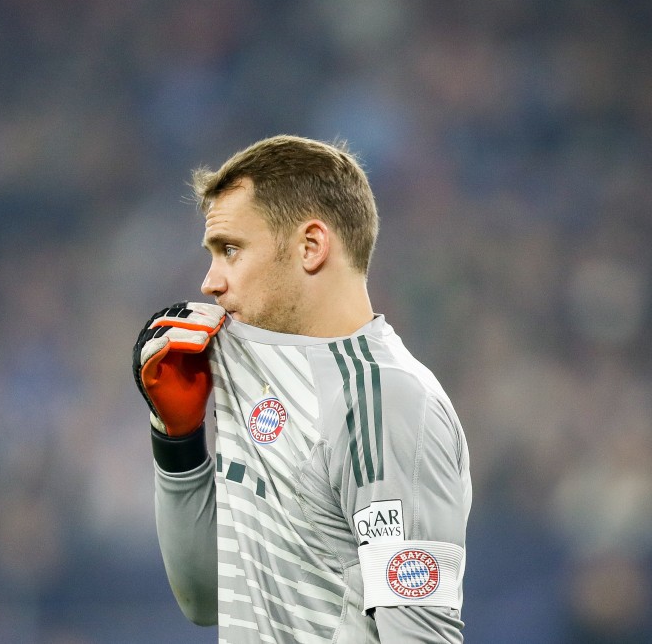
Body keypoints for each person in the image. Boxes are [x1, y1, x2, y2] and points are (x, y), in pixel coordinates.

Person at [132, 135, 472, 642]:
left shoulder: (381, 402)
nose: (210, 282)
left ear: (310, 247)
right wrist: (177, 441)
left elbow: (420, 636)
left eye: (230, 250)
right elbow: (208, 599)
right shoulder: (255, 377)